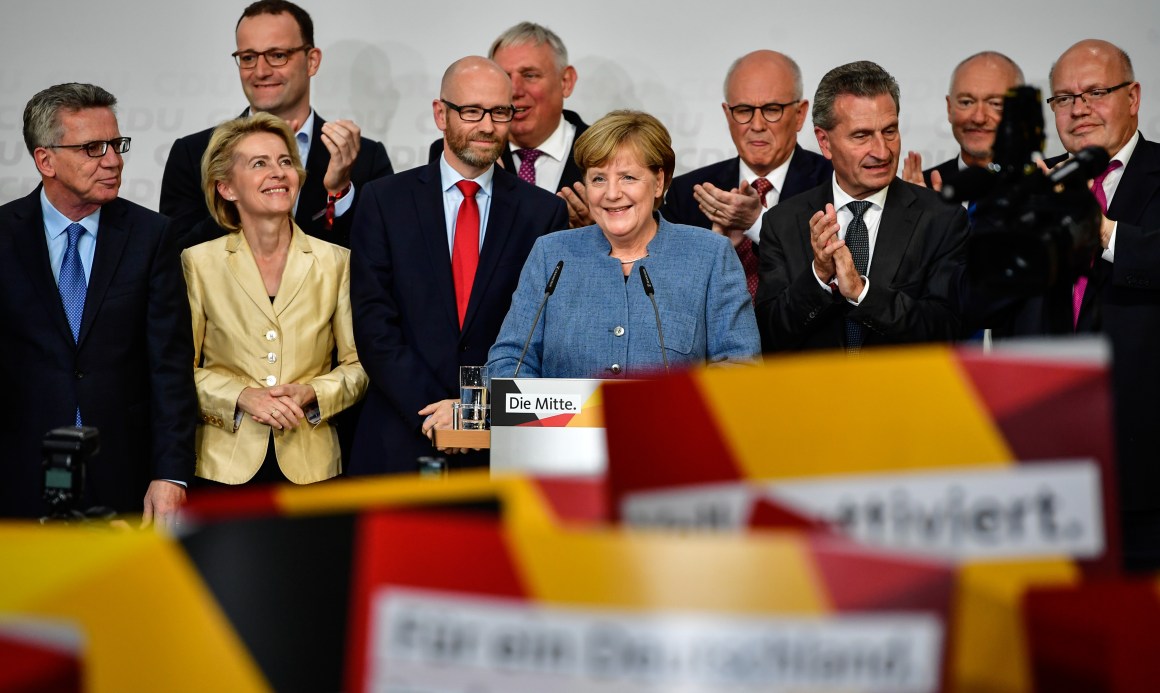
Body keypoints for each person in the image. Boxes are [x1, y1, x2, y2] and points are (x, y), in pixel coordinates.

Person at [349, 57, 568, 475]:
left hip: (498, 449)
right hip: (399, 437)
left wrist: (472, 412)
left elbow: (535, 338)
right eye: (471, 111)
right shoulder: (383, 201)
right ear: (440, 113)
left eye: (501, 112)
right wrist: (434, 415)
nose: (487, 125)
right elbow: (374, 327)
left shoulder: (542, 213)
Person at [0, 83, 196, 525]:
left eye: (116, 144)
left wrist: (171, 474)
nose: (113, 160)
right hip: (18, 476)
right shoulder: (4, 235)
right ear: (45, 160)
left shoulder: (151, 236)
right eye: (93, 148)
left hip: (124, 474)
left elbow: (170, 369)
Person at [489, 110, 760, 379]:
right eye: (598, 178)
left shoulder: (709, 255)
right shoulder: (551, 255)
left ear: (658, 183)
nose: (612, 194)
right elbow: (508, 359)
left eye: (628, 177)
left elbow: (740, 365)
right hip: (563, 423)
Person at [182, 113, 367, 485]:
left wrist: (313, 393)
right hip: (222, 468)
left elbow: (359, 366)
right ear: (226, 188)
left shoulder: (336, 261)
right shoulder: (197, 262)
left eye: (285, 162)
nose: (279, 172)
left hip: (313, 467)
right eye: (259, 164)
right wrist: (241, 397)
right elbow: (179, 369)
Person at [755, 61, 968, 353]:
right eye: (862, 135)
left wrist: (861, 292)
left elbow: (946, 330)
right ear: (824, 142)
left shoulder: (942, 218)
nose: (882, 151)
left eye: (890, 131)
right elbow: (769, 337)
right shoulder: (782, 223)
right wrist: (818, 275)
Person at [1045, 39, 1159, 570]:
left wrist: (1104, 231)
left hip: (1144, 458)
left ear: (1133, 97)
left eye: (1095, 92)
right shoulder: (1035, 185)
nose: (1078, 108)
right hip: (1045, 461)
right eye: (1064, 97)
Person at [160, 0, 393, 249]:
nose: (260, 71)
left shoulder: (364, 159)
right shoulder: (194, 153)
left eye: (277, 56)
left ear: (312, 61)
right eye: (248, 57)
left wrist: (339, 192)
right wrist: (240, 202)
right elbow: (176, 258)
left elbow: (378, 258)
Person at [661, 50, 832, 298]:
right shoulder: (688, 193)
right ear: (727, 114)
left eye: (772, 109)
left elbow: (834, 276)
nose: (757, 125)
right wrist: (713, 253)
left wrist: (758, 223)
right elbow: (665, 292)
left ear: (800, 114)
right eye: (743, 110)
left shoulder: (834, 184)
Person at [428, 22, 591, 226]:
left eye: (530, 75)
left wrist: (600, 231)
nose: (514, 90)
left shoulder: (604, 154)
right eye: (504, 77)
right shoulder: (458, 153)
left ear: (566, 81)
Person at [901, 51, 1024, 192]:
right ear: (949, 108)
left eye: (995, 104)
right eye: (966, 102)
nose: (979, 118)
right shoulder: (920, 191)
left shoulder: (1042, 188)